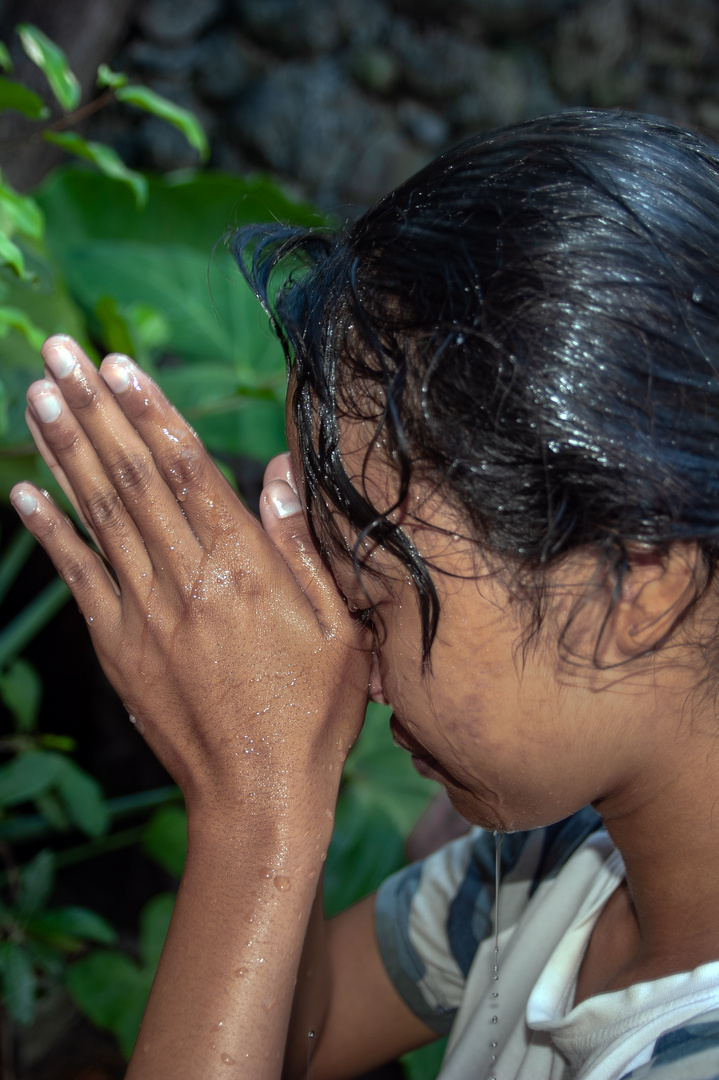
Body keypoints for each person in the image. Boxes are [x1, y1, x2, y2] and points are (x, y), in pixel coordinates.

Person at [10, 108, 719, 1080]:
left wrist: (252, 806)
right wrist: (271, 781)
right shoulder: (564, 861)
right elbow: (303, 1027)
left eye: (373, 598)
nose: (346, 654)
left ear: (635, 581)